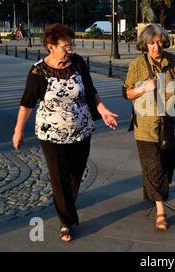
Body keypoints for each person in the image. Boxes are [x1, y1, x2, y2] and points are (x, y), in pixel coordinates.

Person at [12, 23, 118, 242]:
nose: (70, 49)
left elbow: (90, 91)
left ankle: (66, 208)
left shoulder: (78, 63)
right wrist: (18, 131)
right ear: (51, 46)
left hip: (81, 128)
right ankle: (65, 222)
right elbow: (27, 102)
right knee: (59, 177)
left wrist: (104, 110)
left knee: (76, 172)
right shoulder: (38, 71)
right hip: (51, 133)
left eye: (71, 44)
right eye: (66, 45)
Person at [123, 24, 175, 231]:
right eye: (151, 43)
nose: (156, 46)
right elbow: (127, 93)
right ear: (145, 45)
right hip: (146, 126)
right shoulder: (137, 65)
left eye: (159, 42)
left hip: (171, 124)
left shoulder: (173, 61)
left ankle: (151, 191)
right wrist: (143, 88)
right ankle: (160, 211)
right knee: (154, 166)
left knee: (165, 167)